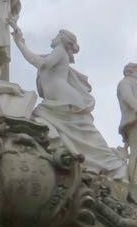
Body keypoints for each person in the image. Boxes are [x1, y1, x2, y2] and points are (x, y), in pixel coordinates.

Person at [10, 25, 127, 177]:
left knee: (86, 134)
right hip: (61, 100)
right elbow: (37, 58)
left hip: (65, 100)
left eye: (57, 35)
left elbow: (39, 63)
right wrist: (20, 41)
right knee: (82, 134)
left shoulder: (59, 51)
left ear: (62, 39)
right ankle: (87, 160)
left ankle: (114, 166)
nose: (54, 37)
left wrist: (19, 43)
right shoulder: (55, 54)